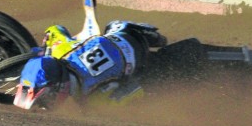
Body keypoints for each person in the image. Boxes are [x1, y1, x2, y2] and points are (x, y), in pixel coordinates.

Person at [13, 21, 160, 109]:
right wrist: (47, 45)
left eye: (46, 99)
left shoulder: (88, 98)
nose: (46, 103)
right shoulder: (61, 50)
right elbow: (55, 29)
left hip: (139, 62)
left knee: (109, 104)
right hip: (121, 34)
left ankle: (151, 95)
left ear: (60, 87)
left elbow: (133, 90)